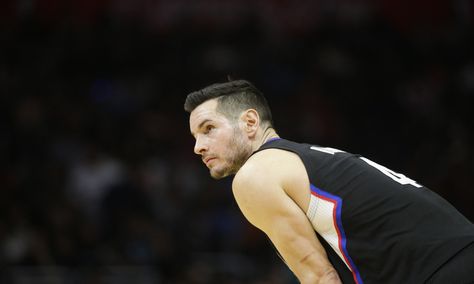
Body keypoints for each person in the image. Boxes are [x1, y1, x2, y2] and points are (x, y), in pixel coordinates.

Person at [184, 79, 474, 284]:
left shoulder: (255, 175)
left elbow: (320, 277)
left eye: (209, 129)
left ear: (250, 122)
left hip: (441, 271)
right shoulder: (306, 156)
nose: (198, 146)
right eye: (195, 136)